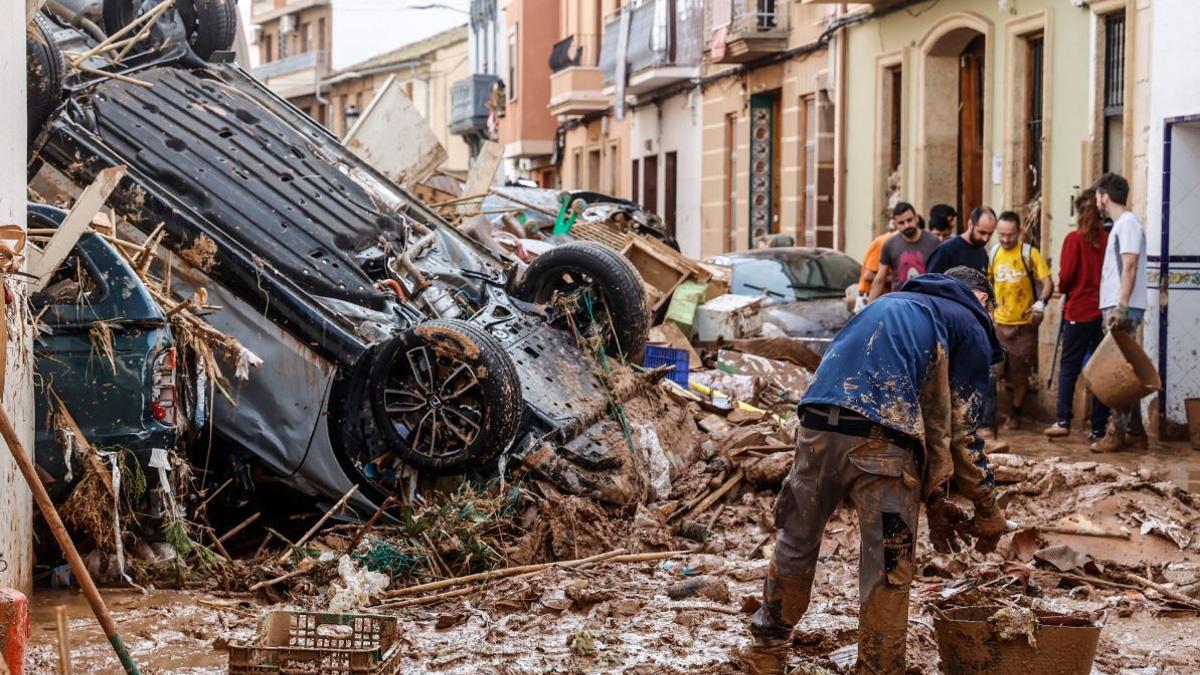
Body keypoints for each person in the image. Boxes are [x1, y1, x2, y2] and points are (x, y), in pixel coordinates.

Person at [741, 267, 1006, 675]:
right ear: (983, 299)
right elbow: (961, 432)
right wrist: (988, 509)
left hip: (815, 426)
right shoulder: (970, 321)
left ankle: (767, 652)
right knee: (888, 567)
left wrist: (935, 498)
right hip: (883, 443)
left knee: (796, 541)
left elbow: (931, 417)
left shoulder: (890, 304)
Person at [1091, 173, 1149, 453]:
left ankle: (1116, 432)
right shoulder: (1121, 225)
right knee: (1125, 369)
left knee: (1116, 372)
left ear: (1104, 196)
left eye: (1097, 196)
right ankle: (1136, 432)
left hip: (1121, 308)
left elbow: (1130, 266)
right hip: (1117, 305)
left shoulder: (1127, 224)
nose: (1096, 202)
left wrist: (1121, 307)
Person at [1045, 190, 1110, 439]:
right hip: (1102, 313)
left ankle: (1063, 420)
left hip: (1078, 312)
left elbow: (1067, 277)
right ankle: (1098, 426)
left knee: (1069, 367)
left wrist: (1064, 290)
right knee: (1101, 370)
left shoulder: (1073, 240)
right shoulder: (1107, 240)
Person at [988, 211, 1053, 429]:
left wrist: (1041, 302)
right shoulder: (993, 253)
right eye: (1001, 235)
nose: (1006, 240)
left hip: (1024, 326)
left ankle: (1015, 414)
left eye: (1010, 235)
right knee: (994, 371)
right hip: (999, 324)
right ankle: (992, 414)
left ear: (1019, 232)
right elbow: (986, 283)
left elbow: (1048, 282)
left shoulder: (1029, 254)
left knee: (1020, 372)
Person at [868, 202, 939, 302]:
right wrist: (868, 308)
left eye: (909, 220)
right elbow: (880, 279)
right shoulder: (889, 244)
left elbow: (941, 275)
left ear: (916, 218)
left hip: (927, 301)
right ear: (895, 224)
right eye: (901, 223)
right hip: (900, 302)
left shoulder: (933, 242)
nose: (907, 225)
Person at [927, 206, 997, 274]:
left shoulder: (982, 252)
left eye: (990, 234)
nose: (985, 239)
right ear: (970, 224)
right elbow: (930, 282)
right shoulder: (946, 250)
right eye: (982, 232)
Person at [855, 224, 896, 312]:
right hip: (869, 298)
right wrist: (895, 279)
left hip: (879, 299)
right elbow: (868, 276)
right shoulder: (885, 243)